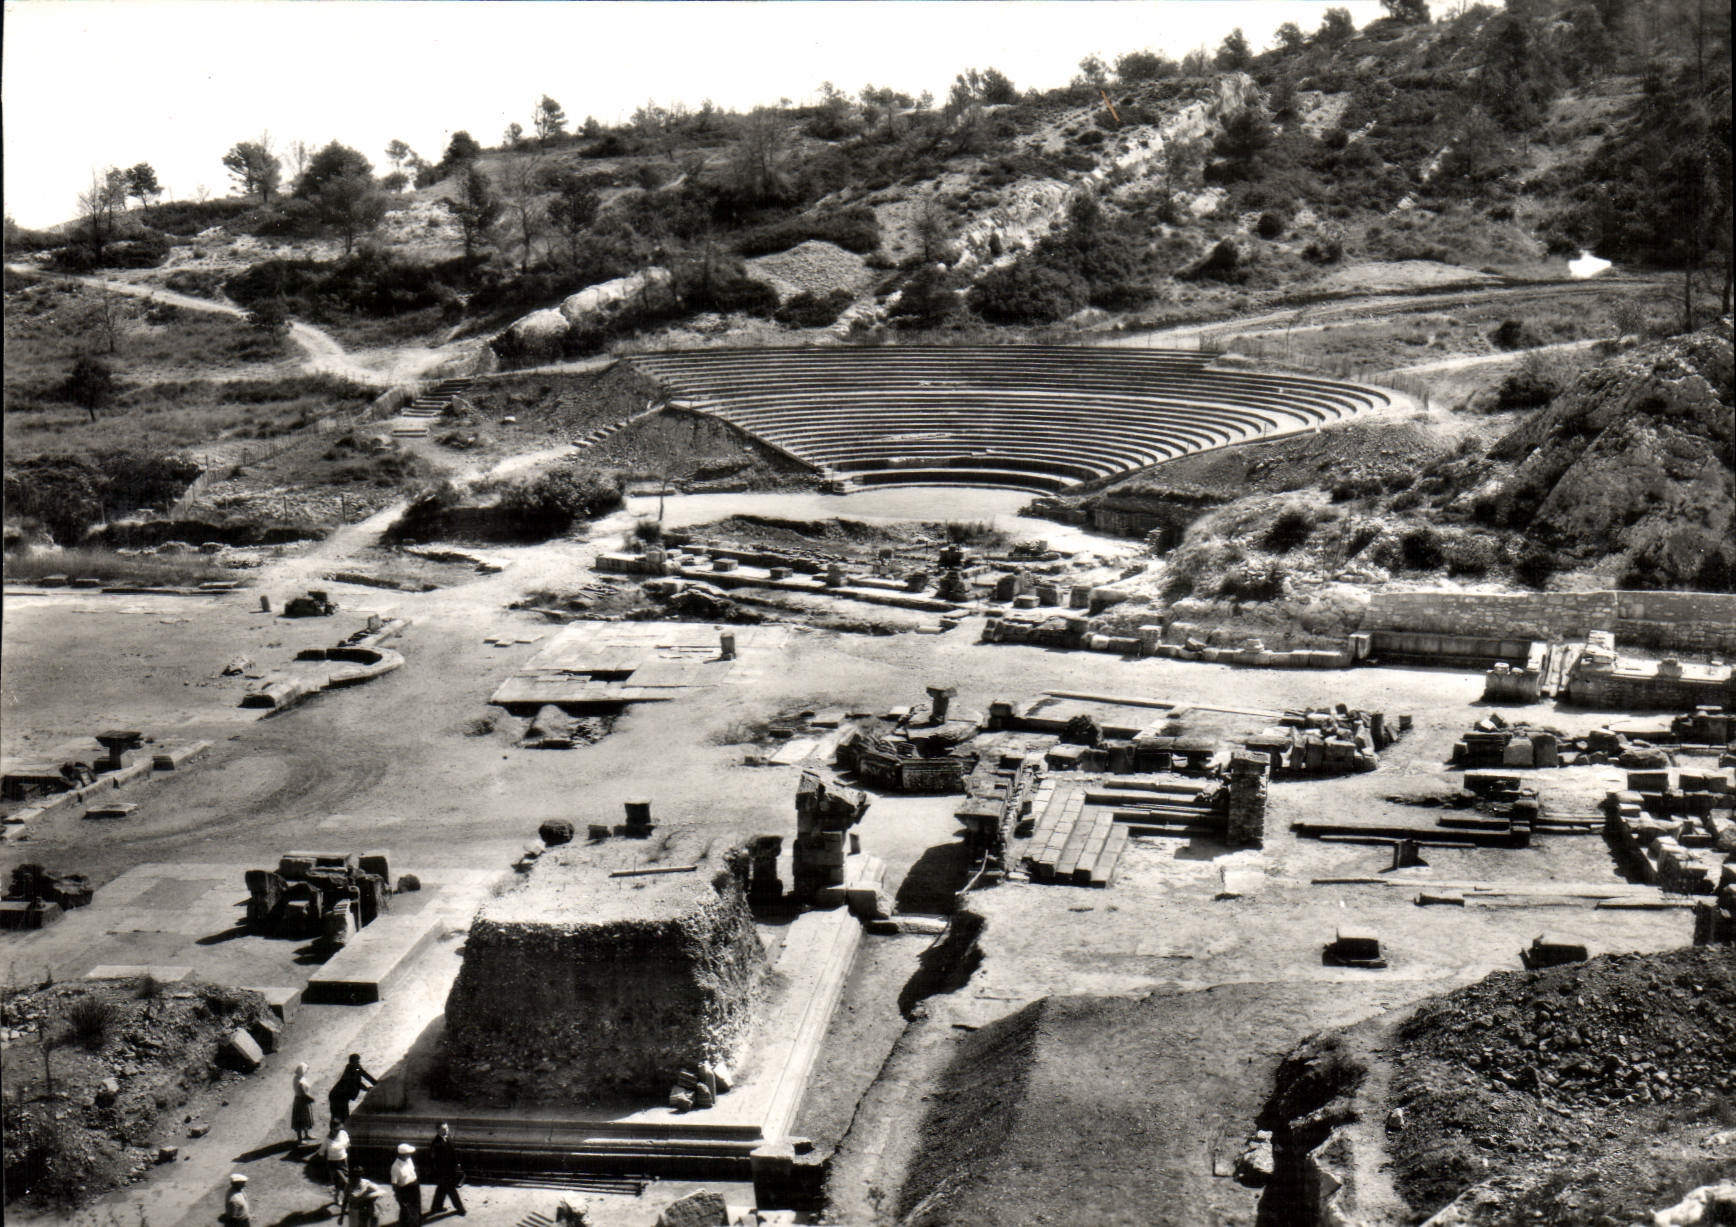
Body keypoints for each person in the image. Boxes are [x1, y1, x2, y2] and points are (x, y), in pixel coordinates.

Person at [425, 1122, 466, 1217]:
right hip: (442, 1173)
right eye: (443, 1129)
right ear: (438, 1130)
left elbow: (452, 1153)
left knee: (441, 1189)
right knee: (451, 1190)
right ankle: (460, 1209)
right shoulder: (436, 1143)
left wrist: (457, 1164)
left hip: (450, 1170)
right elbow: (432, 1160)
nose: (446, 1130)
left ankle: (436, 1207)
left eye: (447, 1128)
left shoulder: (448, 1138)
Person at [328, 1053, 377, 1127]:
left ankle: (337, 1131)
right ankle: (334, 1132)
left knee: (342, 1116)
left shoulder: (356, 1068)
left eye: (358, 1062)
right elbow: (356, 1083)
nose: (358, 1063)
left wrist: (376, 1083)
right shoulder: (349, 1071)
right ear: (352, 1062)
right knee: (338, 1116)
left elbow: (365, 1074)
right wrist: (366, 1088)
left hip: (342, 1096)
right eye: (356, 1062)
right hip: (337, 1096)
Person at [320, 1119, 351, 1213]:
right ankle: (347, 1204)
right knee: (344, 1183)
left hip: (344, 1161)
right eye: (336, 1130)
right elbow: (321, 1152)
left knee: (342, 1183)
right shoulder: (327, 1140)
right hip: (333, 1163)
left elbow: (348, 1144)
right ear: (332, 1129)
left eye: (339, 1129)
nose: (338, 1131)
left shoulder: (343, 1133)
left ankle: (337, 1198)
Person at [390, 1142, 422, 1227]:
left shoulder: (409, 1160)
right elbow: (394, 1184)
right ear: (402, 1155)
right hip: (405, 1190)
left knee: (416, 1208)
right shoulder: (395, 1167)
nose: (410, 1155)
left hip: (414, 1186)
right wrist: (398, 1196)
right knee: (406, 1211)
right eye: (408, 1154)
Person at [291, 1062, 316, 1145]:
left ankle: (306, 1135)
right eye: (305, 1070)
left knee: (305, 1118)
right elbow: (303, 1093)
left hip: (300, 1100)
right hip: (301, 1101)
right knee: (300, 1120)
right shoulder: (300, 1081)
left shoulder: (298, 1077)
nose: (306, 1072)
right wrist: (311, 1099)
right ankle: (300, 1139)